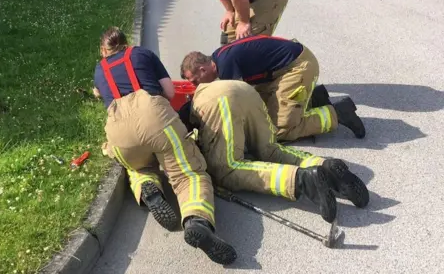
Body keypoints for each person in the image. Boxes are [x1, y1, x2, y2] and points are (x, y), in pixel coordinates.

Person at [93, 27, 237, 265]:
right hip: (155, 118)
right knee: (188, 173)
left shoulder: (100, 69)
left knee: (138, 167)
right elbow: (170, 92)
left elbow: (99, 92)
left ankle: (149, 189)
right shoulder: (143, 54)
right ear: (126, 43)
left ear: (103, 50)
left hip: (119, 131)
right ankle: (197, 221)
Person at [176, 80, 369, 224]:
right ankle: (322, 165)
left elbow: (188, 149)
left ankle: (303, 180)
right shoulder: (205, 87)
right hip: (246, 91)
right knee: (269, 149)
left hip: (220, 103)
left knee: (227, 169)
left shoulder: (186, 112)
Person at [179, 35, 366, 143]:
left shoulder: (227, 66)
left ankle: (338, 113)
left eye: (196, 81)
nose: (198, 86)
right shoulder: (219, 57)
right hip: (281, 70)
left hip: (297, 67)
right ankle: (314, 98)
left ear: (203, 69)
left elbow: (238, 104)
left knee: (280, 130)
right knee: (264, 115)